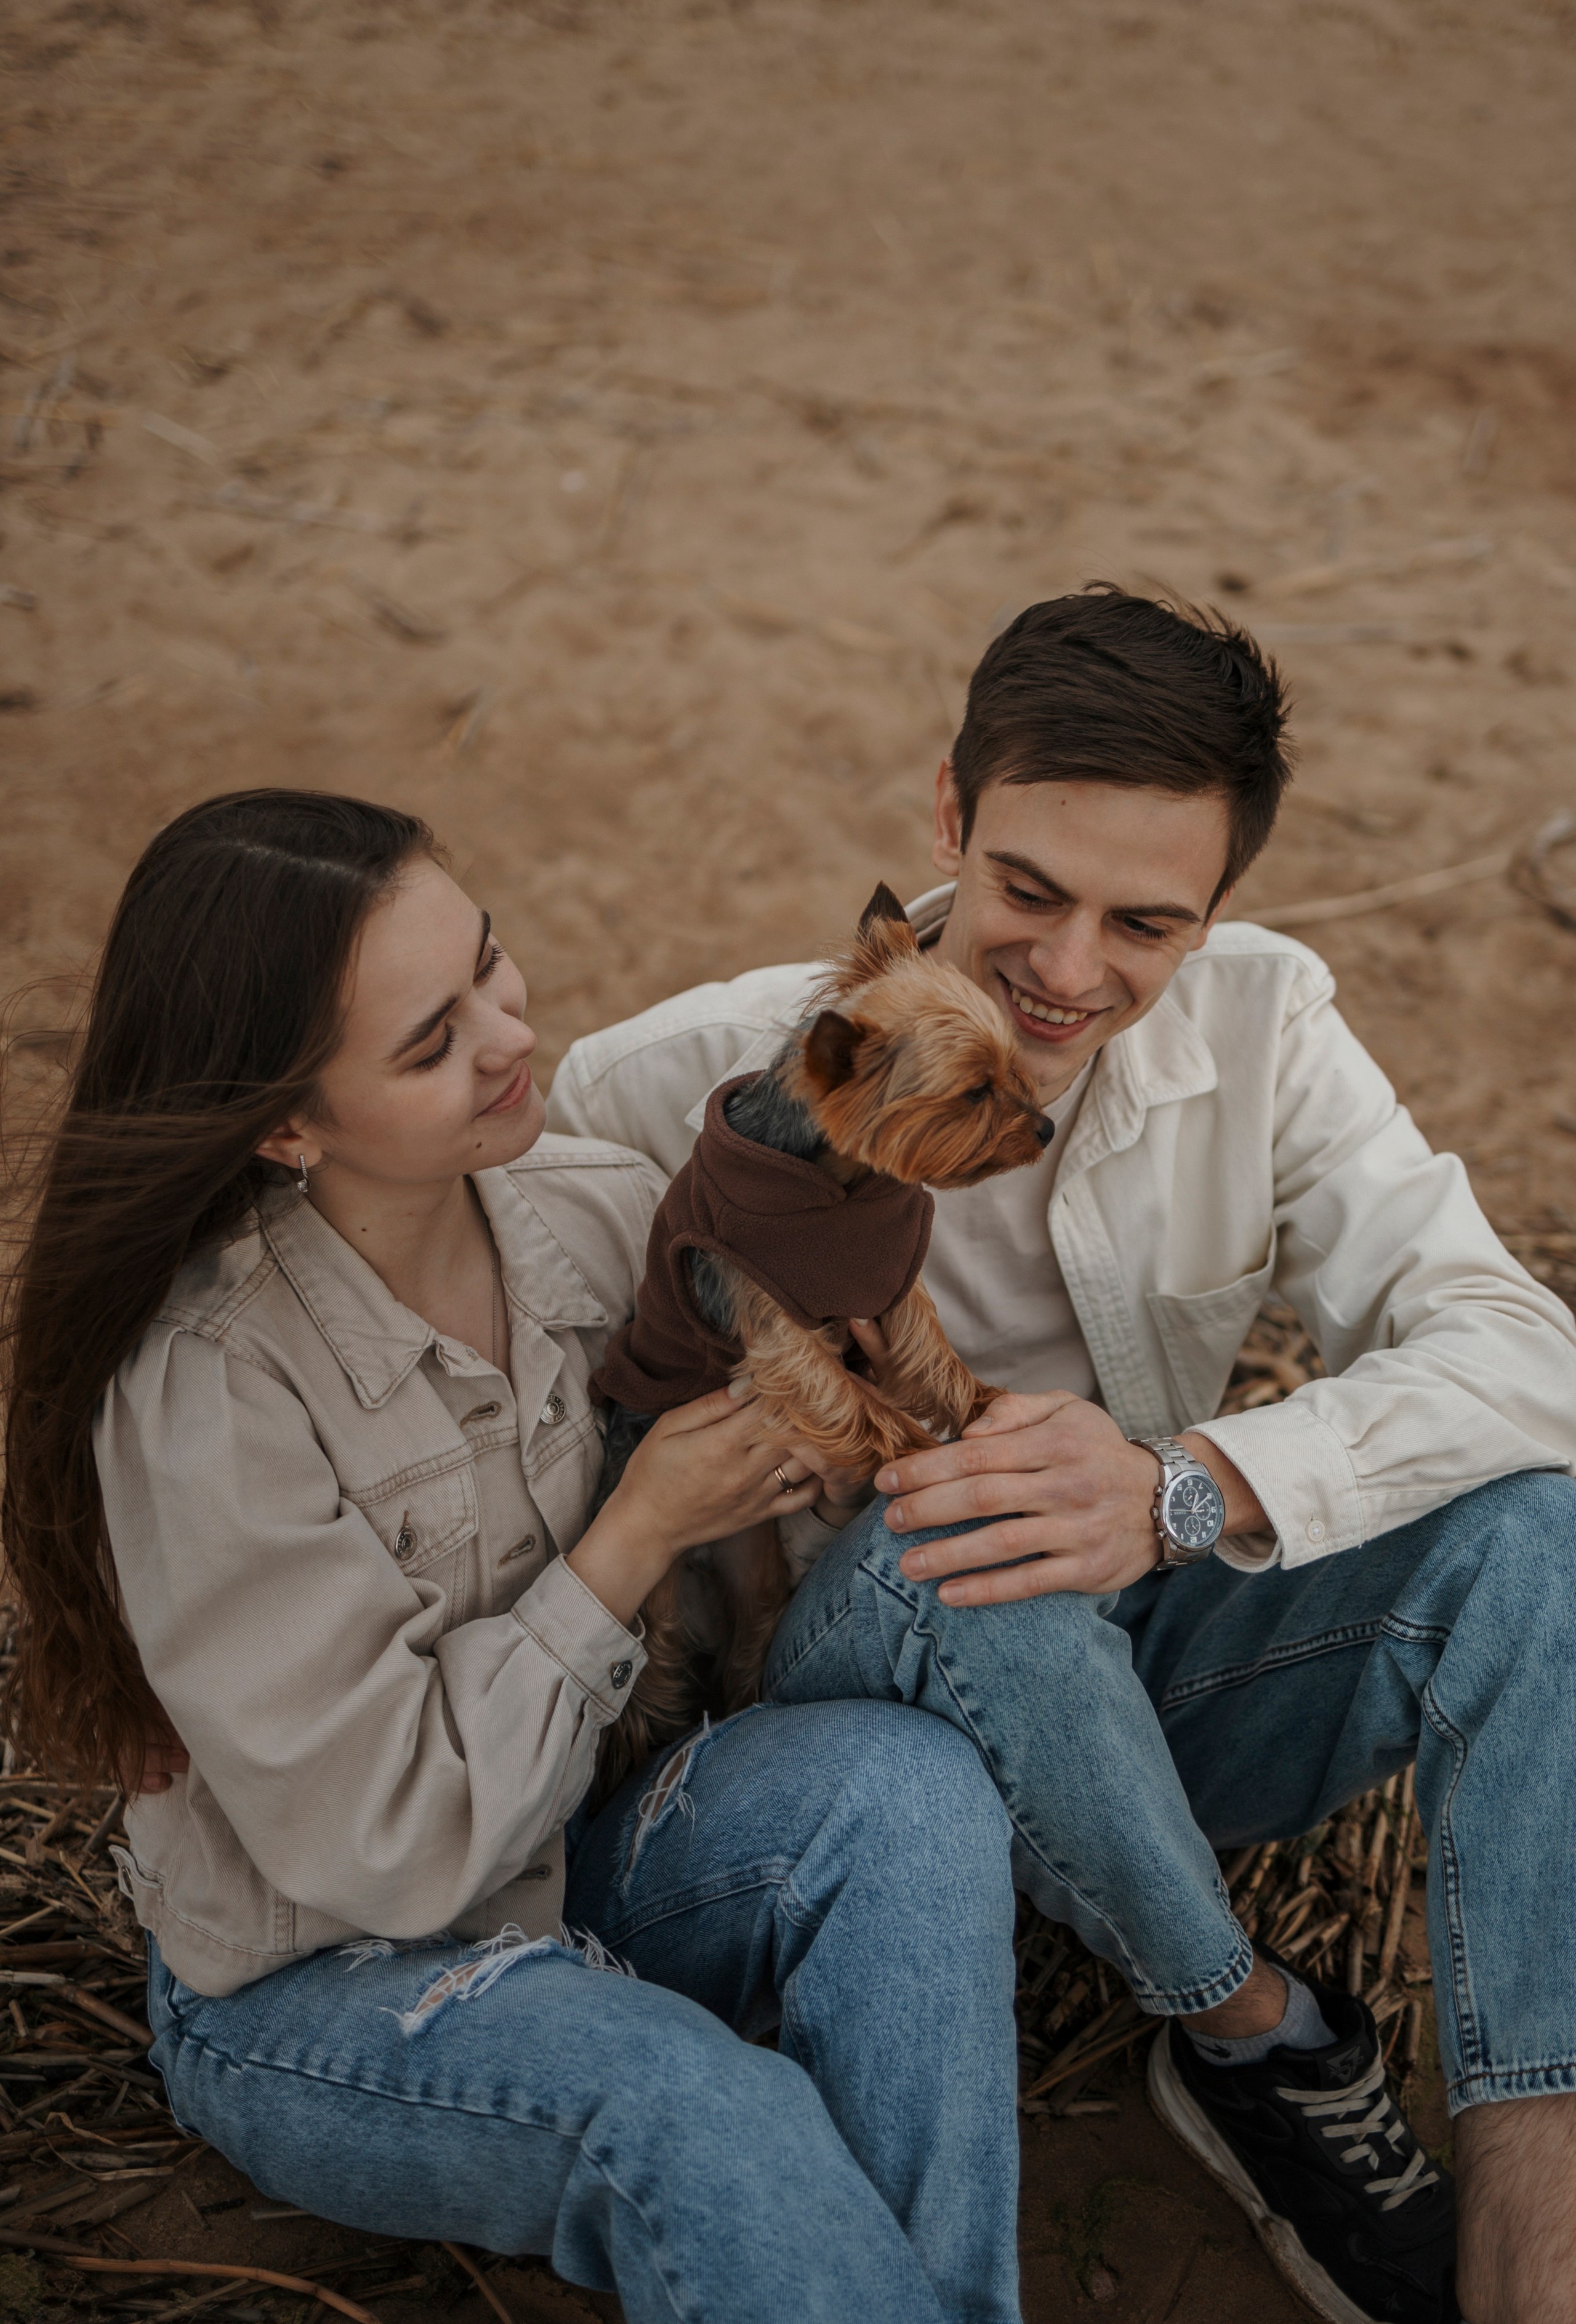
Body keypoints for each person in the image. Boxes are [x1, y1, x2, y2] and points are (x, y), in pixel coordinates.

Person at [546, 587, 1576, 2324]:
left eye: (1148, 923)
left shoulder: (1269, 1026)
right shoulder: (675, 1082)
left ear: (1218, 913)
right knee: (967, 1523)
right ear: (950, 813)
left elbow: (1525, 1348)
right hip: (841, 1717)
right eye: (1028, 891)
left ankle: (1534, 2218)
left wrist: (1183, 1489)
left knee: (1543, 1540)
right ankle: (1252, 2033)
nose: (1071, 973)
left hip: (1142, 1688)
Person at [0, 790, 1026, 2324]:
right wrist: (634, 1534)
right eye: (430, 1042)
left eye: (491, 964)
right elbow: (387, 1854)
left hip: (576, 1860)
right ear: (284, 1123)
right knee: (703, 2105)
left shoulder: (600, 1206)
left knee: (908, 1790)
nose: (507, 1035)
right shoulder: (210, 1384)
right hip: (332, 1973)